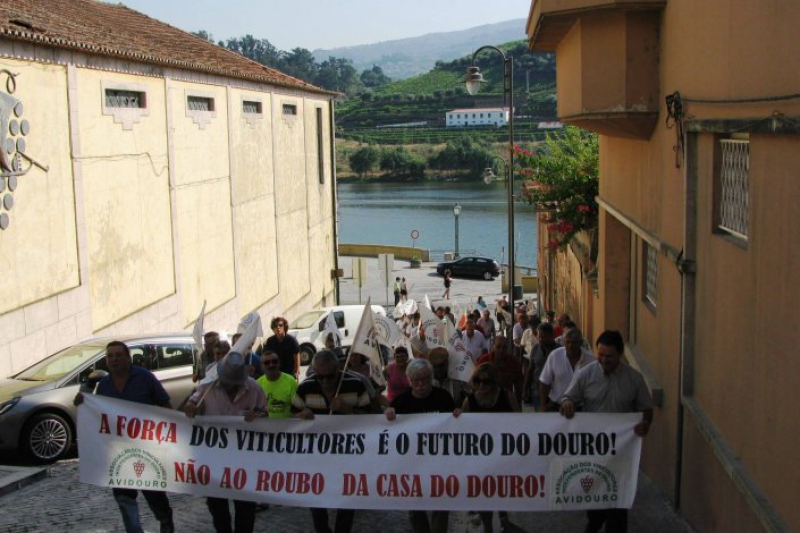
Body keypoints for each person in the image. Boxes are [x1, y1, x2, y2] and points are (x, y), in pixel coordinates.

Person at [74, 341, 175, 533]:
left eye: (119, 355)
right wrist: (83, 402)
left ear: (128, 358)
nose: (114, 359)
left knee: (154, 495)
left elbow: (166, 407)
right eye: (110, 356)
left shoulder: (145, 378)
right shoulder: (103, 385)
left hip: (147, 449)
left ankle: (165, 521)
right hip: (118, 454)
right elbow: (99, 415)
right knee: (124, 498)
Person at [560, 330, 654, 533]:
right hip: (593, 451)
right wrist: (567, 403)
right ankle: (594, 523)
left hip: (621, 452)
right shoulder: (585, 374)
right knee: (595, 502)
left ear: (620, 354)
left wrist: (645, 423)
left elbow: (646, 409)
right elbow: (568, 397)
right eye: (600, 355)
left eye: (609, 356)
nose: (603, 360)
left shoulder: (634, 379)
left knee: (618, 504)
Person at [185, 352, 267, 533]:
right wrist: (190, 407)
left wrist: (258, 416)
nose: (230, 385)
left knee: (245, 507)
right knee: (217, 507)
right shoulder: (207, 386)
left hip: (244, 460)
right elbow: (191, 404)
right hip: (214, 459)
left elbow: (265, 413)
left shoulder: (253, 388)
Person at [293, 350, 373, 533]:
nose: (325, 382)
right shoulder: (305, 387)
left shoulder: (356, 384)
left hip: (348, 456)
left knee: (347, 498)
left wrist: (349, 410)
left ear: (338, 369)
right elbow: (291, 416)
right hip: (315, 457)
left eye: (329, 376)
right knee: (316, 499)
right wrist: (299, 415)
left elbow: (371, 419)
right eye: (320, 377)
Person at [385, 358, 461, 533]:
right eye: (416, 380)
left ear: (431, 378)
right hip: (412, 465)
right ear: (409, 380)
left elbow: (455, 422)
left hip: (439, 463)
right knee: (415, 509)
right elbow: (388, 427)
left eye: (425, 379)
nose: (421, 384)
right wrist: (388, 413)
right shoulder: (401, 402)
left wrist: (458, 414)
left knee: (440, 507)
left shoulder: (443, 397)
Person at [461, 362, 519, 533]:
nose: (481, 385)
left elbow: (520, 421)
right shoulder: (470, 401)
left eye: (486, 382)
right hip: (480, 456)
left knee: (502, 491)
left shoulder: (507, 396)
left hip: (503, 453)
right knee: (483, 494)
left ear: (494, 382)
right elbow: (462, 427)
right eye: (478, 381)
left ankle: (503, 519)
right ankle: (487, 527)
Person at [539, 328, 594, 412]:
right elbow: (544, 382)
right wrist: (543, 406)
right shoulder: (555, 356)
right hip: (556, 406)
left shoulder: (591, 360)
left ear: (580, 343)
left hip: (581, 408)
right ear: (563, 342)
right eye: (567, 342)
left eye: (574, 342)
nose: (570, 345)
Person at [476, 336, 524, 405]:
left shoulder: (514, 362)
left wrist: (518, 405)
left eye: (504, 347)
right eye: (498, 347)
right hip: (486, 402)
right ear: (493, 347)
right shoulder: (484, 360)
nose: (501, 350)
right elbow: (474, 381)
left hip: (506, 402)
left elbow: (519, 386)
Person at [523, 322, 559, 408]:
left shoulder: (559, 350)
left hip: (554, 392)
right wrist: (525, 389)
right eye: (539, 337)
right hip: (537, 390)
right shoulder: (535, 349)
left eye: (543, 337)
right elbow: (530, 370)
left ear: (551, 336)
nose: (540, 339)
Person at [255, 350, 298, 418]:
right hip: (265, 427)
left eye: (274, 361)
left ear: (279, 363)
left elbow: (297, 409)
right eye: (267, 363)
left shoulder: (290, 381)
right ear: (261, 366)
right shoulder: (257, 384)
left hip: (287, 427)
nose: (271, 365)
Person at [264, 316, 300, 381]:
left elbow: (297, 354)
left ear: (284, 327)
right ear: (273, 328)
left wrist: (297, 371)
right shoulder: (270, 341)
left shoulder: (291, 340)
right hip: (276, 371)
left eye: (280, 325)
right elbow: (266, 356)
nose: (278, 327)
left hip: (289, 372)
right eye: (275, 326)